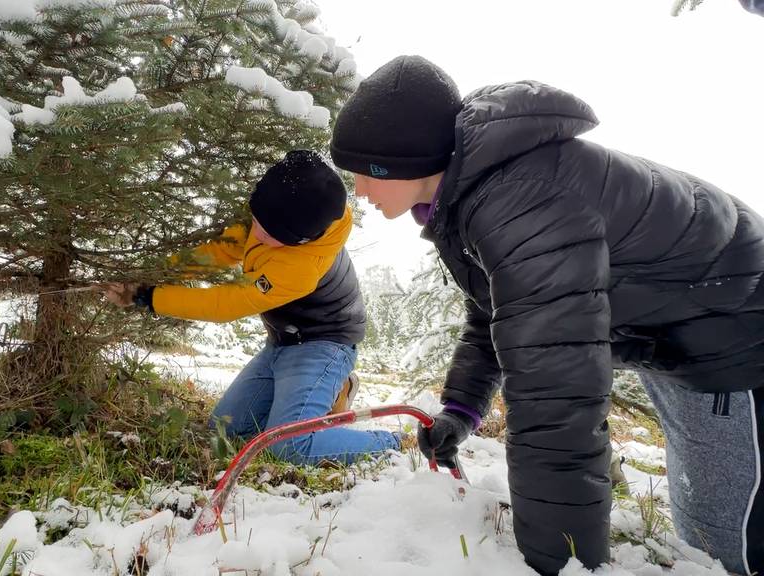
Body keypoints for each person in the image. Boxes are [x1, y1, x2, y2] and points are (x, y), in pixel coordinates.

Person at [329, 55, 764, 575]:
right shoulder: (475, 190)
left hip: (735, 325)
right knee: (702, 515)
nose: (359, 190)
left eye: (364, 172)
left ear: (403, 162)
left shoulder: (521, 202)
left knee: (725, 543)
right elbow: (498, 312)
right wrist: (462, 410)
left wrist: (556, 564)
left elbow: (553, 391)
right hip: (674, 329)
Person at [102, 150, 402, 465]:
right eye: (255, 221)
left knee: (289, 447)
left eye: (268, 233)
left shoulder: (300, 269)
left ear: (299, 240)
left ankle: (389, 441)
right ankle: (323, 396)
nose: (255, 233)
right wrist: (152, 275)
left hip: (324, 345)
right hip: (280, 343)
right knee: (224, 433)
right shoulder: (281, 208)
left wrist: (148, 297)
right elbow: (218, 252)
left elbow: (225, 303)